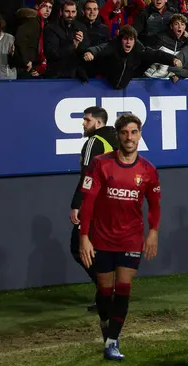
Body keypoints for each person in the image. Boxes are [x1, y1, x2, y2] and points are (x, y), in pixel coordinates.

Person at [78, 113, 161, 361]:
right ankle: (105, 323)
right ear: (118, 135)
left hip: (130, 238)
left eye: (134, 132)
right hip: (101, 237)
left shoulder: (148, 170)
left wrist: (153, 232)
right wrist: (84, 236)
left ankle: (112, 342)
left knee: (123, 290)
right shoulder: (101, 164)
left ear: (140, 135)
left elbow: (155, 205)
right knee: (105, 292)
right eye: (125, 133)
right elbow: (89, 202)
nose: (129, 137)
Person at [69, 106, 119, 312]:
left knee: (78, 247)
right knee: (103, 250)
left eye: (86, 120)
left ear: (98, 123)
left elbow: (87, 177)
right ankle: (110, 292)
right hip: (116, 202)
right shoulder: (117, 140)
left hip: (96, 205)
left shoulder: (93, 142)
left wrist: (76, 205)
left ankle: (107, 292)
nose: (83, 123)